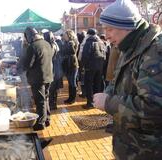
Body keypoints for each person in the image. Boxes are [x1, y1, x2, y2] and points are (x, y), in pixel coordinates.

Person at [94, 0, 162, 159]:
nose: (106, 35)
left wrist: (108, 102)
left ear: (127, 26)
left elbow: (154, 108)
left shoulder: (155, 51)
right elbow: (120, 80)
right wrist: (109, 91)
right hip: (130, 148)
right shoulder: (129, 47)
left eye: (109, 29)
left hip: (148, 152)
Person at [22, 27, 53, 131]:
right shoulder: (47, 44)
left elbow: (28, 64)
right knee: (46, 98)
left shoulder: (33, 46)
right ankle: (47, 119)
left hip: (38, 78)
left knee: (40, 101)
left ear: (29, 36)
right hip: (48, 75)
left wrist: (23, 66)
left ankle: (40, 123)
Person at [81, 28, 106, 109]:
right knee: (97, 84)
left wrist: (83, 66)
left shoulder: (88, 42)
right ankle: (96, 102)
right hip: (100, 67)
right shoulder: (101, 42)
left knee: (88, 85)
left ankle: (90, 103)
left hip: (90, 67)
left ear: (88, 34)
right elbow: (105, 55)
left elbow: (85, 56)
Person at [43, 31, 61, 110]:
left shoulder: (51, 45)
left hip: (52, 67)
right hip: (56, 67)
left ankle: (52, 104)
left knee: (52, 88)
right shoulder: (55, 44)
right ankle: (53, 104)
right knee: (53, 88)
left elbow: (49, 57)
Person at [62, 30, 79, 104]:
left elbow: (73, 52)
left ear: (69, 35)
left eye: (65, 35)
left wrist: (70, 44)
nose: (64, 36)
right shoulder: (66, 42)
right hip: (68, 65)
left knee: (72, 82)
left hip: (73, 65)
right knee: (70, 82)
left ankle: (73, 99)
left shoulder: (73, 42)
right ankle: (70, 98)